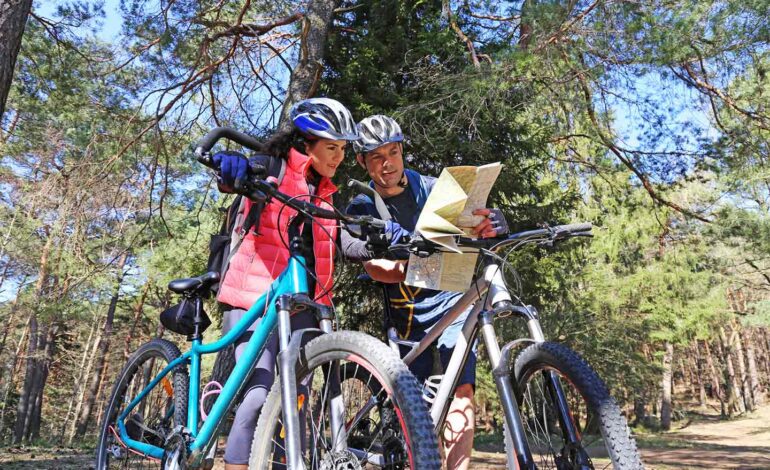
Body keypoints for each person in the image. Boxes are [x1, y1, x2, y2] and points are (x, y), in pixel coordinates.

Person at [345, 115, 507, 470]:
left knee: (461, 390)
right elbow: (372, 267)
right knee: (416, 412)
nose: (387, 163)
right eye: (376, 156)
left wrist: (487, 223)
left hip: (453, 300)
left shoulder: (434, 188)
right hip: (408, 316)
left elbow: (469, 230)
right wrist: (410, 267)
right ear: (362, 161)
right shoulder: (362, 205)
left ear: (402, 151)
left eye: (394, 152)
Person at [213, 98, 359, 470]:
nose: (339, 157)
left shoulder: (327, 191)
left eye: (343, 149)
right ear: (306, 143)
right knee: (258, 396)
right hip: (253, 297)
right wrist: (233, 169)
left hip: (304, 303)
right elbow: (242, 176)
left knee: (296, 402)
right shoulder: (273, 166)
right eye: (331, 147)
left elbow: (346, 244)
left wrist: (384, 240)